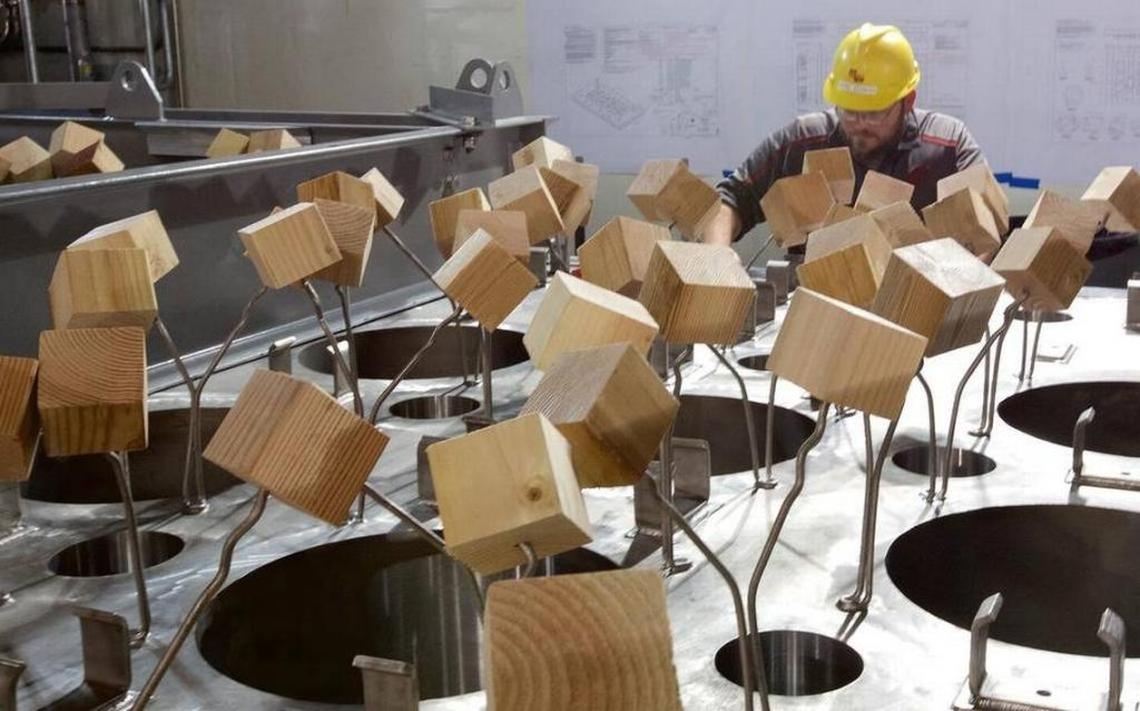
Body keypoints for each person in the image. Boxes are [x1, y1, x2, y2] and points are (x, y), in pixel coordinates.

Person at [702, 23, 989, 247]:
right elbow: (731, 198)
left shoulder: (949, 146)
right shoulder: (802, 141)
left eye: (874, 113)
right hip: (817, 309)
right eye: (848, 111)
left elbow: (986, 224)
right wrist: (717, 256)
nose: (859, 124)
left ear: (908, 101)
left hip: (916, 307)